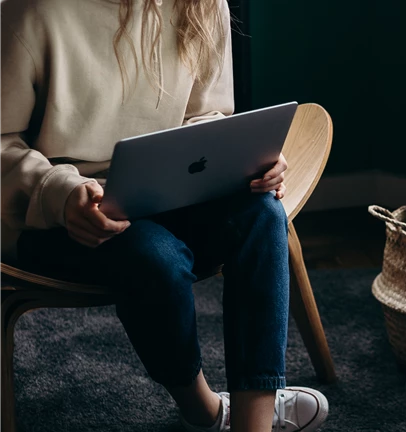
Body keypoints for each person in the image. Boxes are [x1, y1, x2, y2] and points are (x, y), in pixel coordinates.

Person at [0, 0, 329, 431]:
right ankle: (204, 410)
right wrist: (61, 195)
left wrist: (249, 160)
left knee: (261, 212)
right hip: (55, 216)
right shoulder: (33, 11)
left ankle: (254, 422)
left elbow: (205, 117)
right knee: (155, 255)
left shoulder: (202, 5)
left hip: (169, 190)